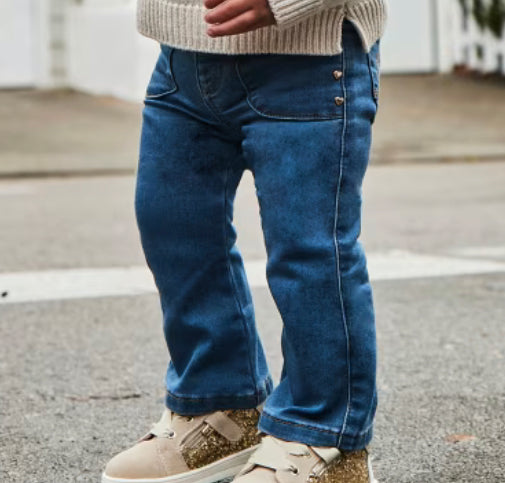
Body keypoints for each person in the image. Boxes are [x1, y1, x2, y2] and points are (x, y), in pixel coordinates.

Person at [101, 0, 387, 481]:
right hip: (183, 55)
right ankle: (221, 411)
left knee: (310, 254)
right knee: (176, 231)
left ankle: (326, 440)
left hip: (309, 57)